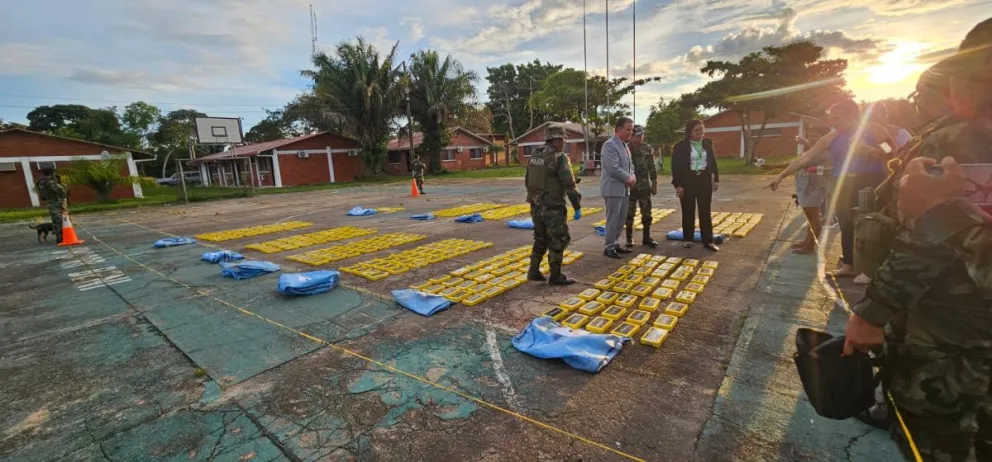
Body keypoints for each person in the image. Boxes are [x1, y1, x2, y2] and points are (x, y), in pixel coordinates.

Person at [844, 20, 992, 461]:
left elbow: (921, 243)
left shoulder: (959, 141)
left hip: (950, 339)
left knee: (940, 439)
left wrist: (872, 313)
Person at [767, 101, 892, 276]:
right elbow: (805, 158)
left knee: (870, 222)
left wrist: (870, 150)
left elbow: (890, 148)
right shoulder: (831, 137)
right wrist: (780, 176)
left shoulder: (873, 129)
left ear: (851, 116)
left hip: (871, 180)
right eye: (830, 118)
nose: (832, 122)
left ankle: (872, 266)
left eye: (836, 118)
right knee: (846, 222)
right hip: (842, 182)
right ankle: (849, 264)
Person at [525, 124, 582, 286]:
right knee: (559, 238)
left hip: (536, 205)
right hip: (553, 207)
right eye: (563, 139)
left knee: (541, 238)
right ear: (555, 140)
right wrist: (577, 206)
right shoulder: (559, 157)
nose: (564, 142)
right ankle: (556, 275)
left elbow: (529, 180)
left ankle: (533, 271)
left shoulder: (535, 155)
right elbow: (569, 184)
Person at [762, 126, 829, 254]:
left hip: (814, 187)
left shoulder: (823, 151)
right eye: (809, 135)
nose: (811, 138)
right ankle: (807, 241)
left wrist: (777, 172)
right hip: (806, 187)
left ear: (823, 138)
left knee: (813, 216)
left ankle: (810, 246)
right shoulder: (813, 150)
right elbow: (797, 162)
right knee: (810, 216)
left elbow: (801, 163)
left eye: (815, 136)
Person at [671, 120, 720, 251]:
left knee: (705, 211)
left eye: (702, 130)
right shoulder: (680, 146)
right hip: (688, 180)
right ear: (689, 132)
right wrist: (678, 185)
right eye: (697, 130)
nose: (700, 133)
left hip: (704, 179)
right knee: (688, 210)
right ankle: (688, 238)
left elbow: (712, 161)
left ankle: (708, 241)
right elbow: (675, 167)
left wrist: (716, 179)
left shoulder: (707, 143)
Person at [600, 117, 636, 259]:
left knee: (621, 219)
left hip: (624, 188)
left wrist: (632, 177)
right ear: (618, 129)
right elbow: (613, 168)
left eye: (631, 129)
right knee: (613, 219)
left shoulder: (624, 146)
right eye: (628, 129)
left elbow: (630, 165)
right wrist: (628, 178)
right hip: (613, 189)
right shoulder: (610, 145)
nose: (630, 132)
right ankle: (608, 247)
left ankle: (615, 243)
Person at [624, 125, 659, 248]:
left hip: (644, 186)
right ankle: (629, 238)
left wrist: (654, 183)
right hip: (630, 186)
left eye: (642, 135)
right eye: (637, 135)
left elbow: (652, 167)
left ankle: (647, 237)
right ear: (632, 136)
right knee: (629, 214)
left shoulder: (647, 148)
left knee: (647, 213)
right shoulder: (625, 148)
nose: (640, 138)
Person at [35, 167, 67, 244]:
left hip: (49, 202)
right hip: (55, 202)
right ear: (52, 173)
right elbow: (61, 190)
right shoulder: (49, 182)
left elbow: (41, 193)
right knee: (59, 220)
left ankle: (58, 237)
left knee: (55, 220)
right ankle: (60, 238)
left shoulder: (40, 181)